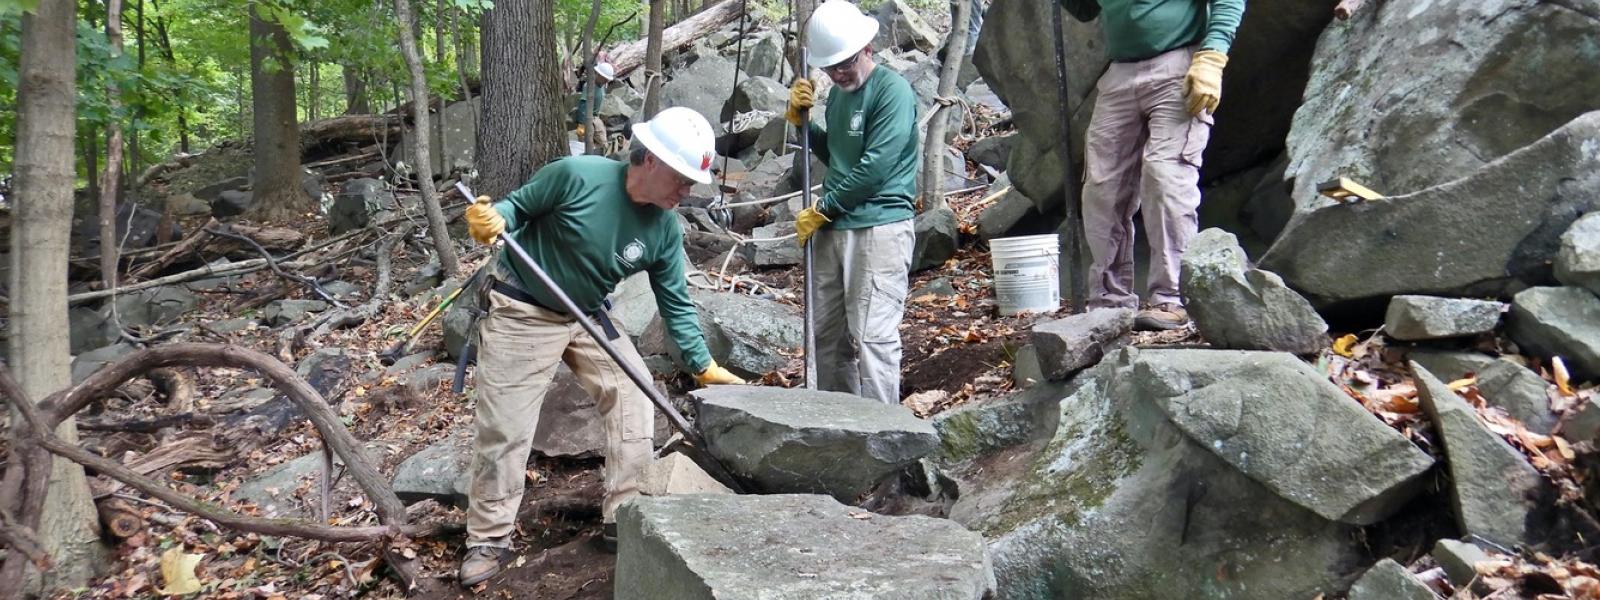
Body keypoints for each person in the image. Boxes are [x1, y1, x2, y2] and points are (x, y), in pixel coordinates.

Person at [457, 106, 745, 586]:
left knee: (635, 396)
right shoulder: (576, 175)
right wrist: (492, 218)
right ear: (650, 160)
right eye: (682, 179)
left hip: (590, 313)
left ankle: (624, 516)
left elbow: (674, 300)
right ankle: (488, 537)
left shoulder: (665, 229)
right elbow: (516, 209)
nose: (687, 191)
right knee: (505, 428)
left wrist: (702, 363)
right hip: (523, 307)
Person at [1058, 0, 1245, 330]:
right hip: (1119, 73)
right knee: (1101, 188)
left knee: (1165, 175)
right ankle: (1108, 303)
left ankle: (1174, 299)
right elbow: (1086, 9)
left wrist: (1212, 57)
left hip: (1179, 64)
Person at [784, 0, 919, 405]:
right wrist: (803, 124)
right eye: (830, 68)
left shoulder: (892, 91)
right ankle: (841, 426)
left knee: (873, 337)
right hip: (834, 226)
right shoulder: (839, 97)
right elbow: (838, 158)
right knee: (827, 335)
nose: (838, 73)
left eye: (844, 63)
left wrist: (825, 207)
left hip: (879, 225)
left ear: (867, 50)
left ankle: (885, 433)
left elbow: (875, 168)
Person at [572, 61, 616, 152]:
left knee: (603, 143)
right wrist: (581, 123)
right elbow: (583, 105)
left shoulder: (602, 86)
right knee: (586, 143)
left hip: (596, 117)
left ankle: (600, 154)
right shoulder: (589, 86)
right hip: (589, 118)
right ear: (598, 74)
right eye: (604, 78)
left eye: (607, 79)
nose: (605, 81)